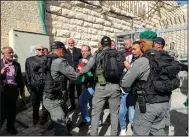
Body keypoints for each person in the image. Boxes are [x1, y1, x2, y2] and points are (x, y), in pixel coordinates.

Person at [121, 30, 181, 135]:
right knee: (157, 131)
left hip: (147, 104)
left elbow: (125, 83)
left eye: (140, 43)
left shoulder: (142, 61)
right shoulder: (166, 58)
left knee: (139, 133)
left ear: (142, 43)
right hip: (164, 103)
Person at [79, 36, 125, 136]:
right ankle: (113, 134)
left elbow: (87, 68)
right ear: (110, 44)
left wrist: (79, 73)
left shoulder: (97, 54)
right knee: (114, 113)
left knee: (96, 113)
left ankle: (94, 134)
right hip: (115, 86)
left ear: (101, 44)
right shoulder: (119, 54)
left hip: (101, 86)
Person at [43, 41, 80, 136]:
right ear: (61, 50)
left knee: (66, 116)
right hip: (53, 99)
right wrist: (80, 69)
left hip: (50, 95)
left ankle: (64, 131)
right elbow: (75, 76)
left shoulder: (47, 58)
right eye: (64, 50)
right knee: (61, 123)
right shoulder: (60, 61)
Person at [119, 41, 142, 135]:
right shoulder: (128, 58)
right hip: (125, 90)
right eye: (132, 49)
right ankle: (123, 129)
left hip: (135, 91)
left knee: (132, 114)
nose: (132, 51)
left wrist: (129, 68)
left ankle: (134, 129)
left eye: (134, 49)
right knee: (121, 112)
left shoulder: (143, 61)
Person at [0, 47, 24, 134]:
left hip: (13, 90)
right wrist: (1, 74)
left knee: (12, 111)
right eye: (9, 53)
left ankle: (10, 127)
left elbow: (19, 79)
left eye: (12, 52)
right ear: (3, 54)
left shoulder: (16, 64)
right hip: (2, 91)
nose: (11, 54)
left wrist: (22, 91)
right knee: (2, 112)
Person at [25, 45, 47, 125]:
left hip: (45, 83)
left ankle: (44, 118)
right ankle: (35, 118)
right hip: (35, 84)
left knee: (45, 102)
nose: (41, 50)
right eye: (39, 49)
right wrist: (28, 84)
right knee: (35, 102)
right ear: (36, 50)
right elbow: (27, 73)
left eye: (42, 49)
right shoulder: (29, 60)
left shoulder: (47, 58)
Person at [65, 38, 82, 111]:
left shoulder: (78, 51)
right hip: (69, 75)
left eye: (72, 43)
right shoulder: (65, 51)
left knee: (79, 90)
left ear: (74, 43)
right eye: (69, 43)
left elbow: (81, 61)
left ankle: (81, 104)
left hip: (78, 74)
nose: (71, 44)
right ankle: (73, 105)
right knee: (71, 91)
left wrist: (79, 69)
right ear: (67, 44)